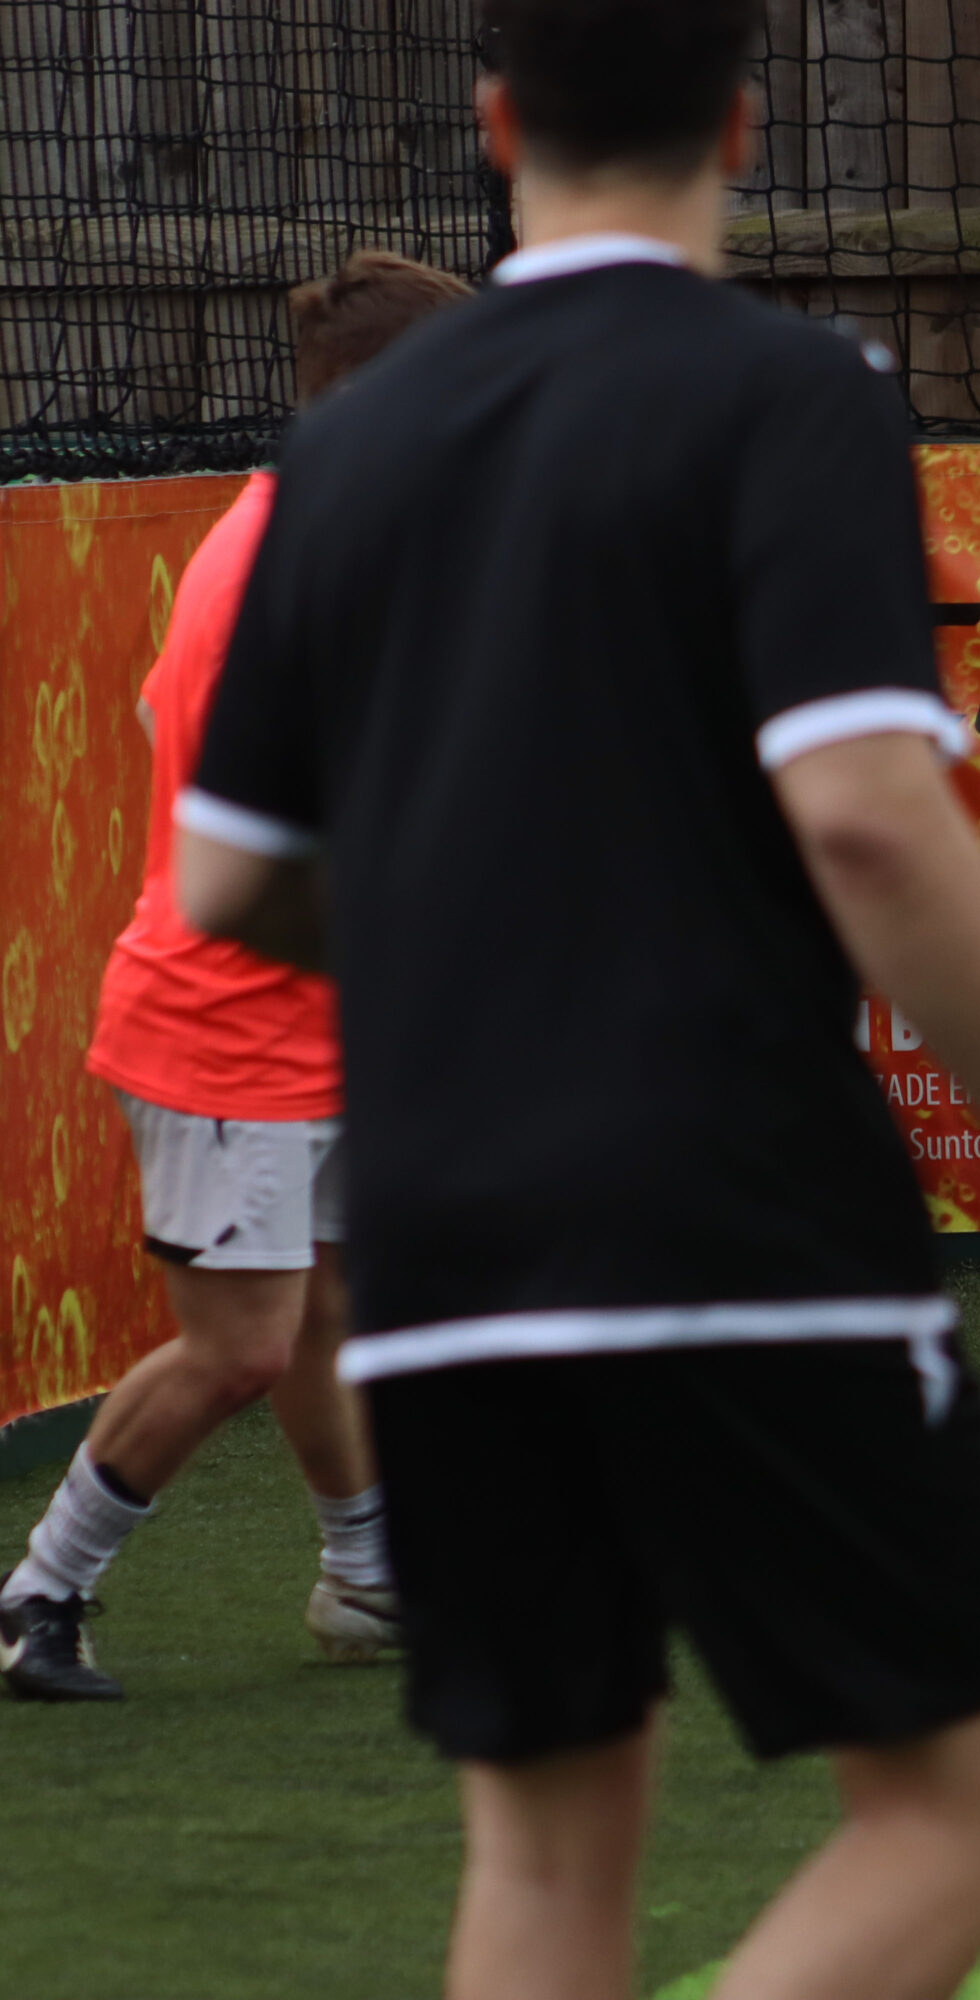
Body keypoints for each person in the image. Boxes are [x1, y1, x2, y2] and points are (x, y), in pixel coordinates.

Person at [171, 0, 980, 1992]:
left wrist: (486, 937)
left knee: (542, 1864)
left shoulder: (345, 447)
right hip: (737, 1205)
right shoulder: (790, 393)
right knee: (958, 1806)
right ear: (741, 123)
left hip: (448, 1238)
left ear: (495, 123)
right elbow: (868, 819)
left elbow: (228, 877)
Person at [0, 251, 473, 1703]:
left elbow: (180, 729)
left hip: (303, 1014)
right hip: (225, 1028)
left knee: (323, 1309)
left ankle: (370, 1581)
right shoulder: (293, 570)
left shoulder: (309, 535)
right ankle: (37, 1594)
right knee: (243, 1347)